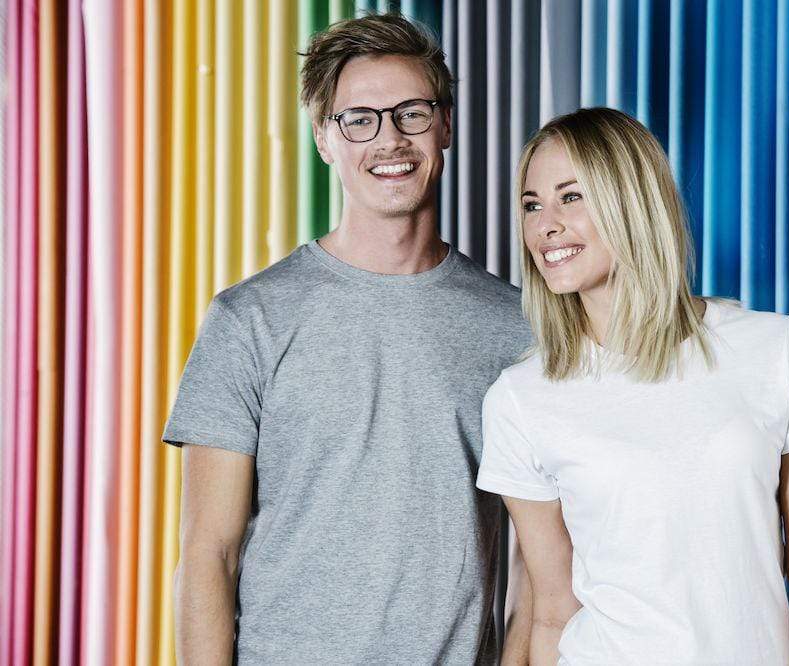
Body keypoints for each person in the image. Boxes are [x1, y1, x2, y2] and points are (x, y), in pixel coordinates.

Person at [164, 14, 533, 664]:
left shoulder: (518, 327)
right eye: (359, 119)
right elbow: (208, 556)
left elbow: (540, 568)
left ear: (446, 125)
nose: (389, 139)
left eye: (412, 113)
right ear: (323, 139)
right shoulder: (248, 319)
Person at [475, 107, 789, 665]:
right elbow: (552, 608)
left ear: (632, 201)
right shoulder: (521, 397)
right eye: (532, 205)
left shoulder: (776, 350)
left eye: (571, 197)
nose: (544, 225)